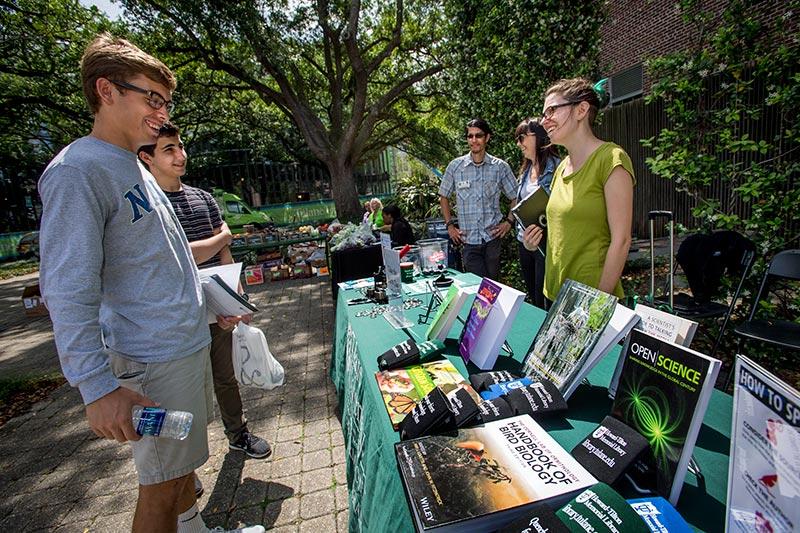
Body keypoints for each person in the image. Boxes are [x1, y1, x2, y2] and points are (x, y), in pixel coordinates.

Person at [37, 33, 263, 533]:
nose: (162, 113)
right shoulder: (78, 172)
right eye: (152, 98)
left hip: (182, 346)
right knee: (157, 495)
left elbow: (169, 260)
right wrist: (97, 388)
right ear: (106, 90)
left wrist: (214, 304)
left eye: (166, 101)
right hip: (150, 359)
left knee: (180, 471)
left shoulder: (134, 164)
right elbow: (67, 289)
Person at [138, 123, 271, 466]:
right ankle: (181, 466)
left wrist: (237, 301)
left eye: (180, 147)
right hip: (173, 320)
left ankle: (238, 434)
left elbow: (224, 259)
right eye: (169, 149)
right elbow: (174, 259)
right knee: (179, 392)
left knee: (225, 378)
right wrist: (221, 237)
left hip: (216, 311)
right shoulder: (145, 205)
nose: (181, 155)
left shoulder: (203, 198)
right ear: (146, 157)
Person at [522, 78, 634, 304]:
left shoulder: (611, 159)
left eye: (552, 110)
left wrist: (597, 303)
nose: (545, 121)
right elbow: (561, 231)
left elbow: (621, 241)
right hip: (553, 295)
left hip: (589, 299)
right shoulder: (562, 167)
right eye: (544, 114)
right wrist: (532, 242)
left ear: (581, 109)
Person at [439, 118, 518, 280]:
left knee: (493, 286)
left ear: (487, 138)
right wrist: (450, 226)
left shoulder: (500, 167)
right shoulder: (455, 167)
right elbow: (444, 196)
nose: (474, 140)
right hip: (468, 241)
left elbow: (516, 196)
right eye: (470, 136)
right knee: (477, 288)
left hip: (492, 239)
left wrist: (509, 222)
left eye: (478, 136)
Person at [513, 118, 560, 308]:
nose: (518, 143)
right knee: (533, 296)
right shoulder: (526, 171)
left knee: (544, 300)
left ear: (538, 136)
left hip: (544, 245)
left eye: (522, 137)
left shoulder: (558, 167)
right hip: (524, 242)